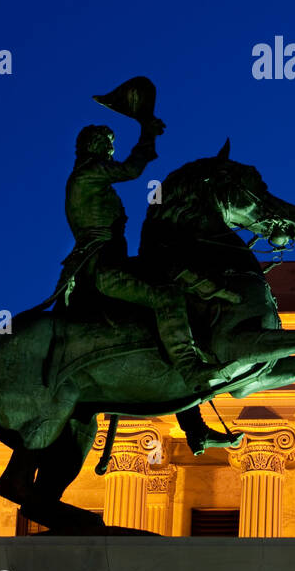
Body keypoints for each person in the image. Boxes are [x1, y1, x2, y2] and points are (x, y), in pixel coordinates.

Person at [58, 120, 233, 389]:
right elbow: (131, 170)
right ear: (93, 145)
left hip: (110, 261)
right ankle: (189, 367)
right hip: (102, 268)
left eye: (111, 145)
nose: (111, 149)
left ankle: (194, 426)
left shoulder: (88, 178)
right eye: (108, 144)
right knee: (166, 296)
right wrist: (147, 136)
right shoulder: (88, 173)